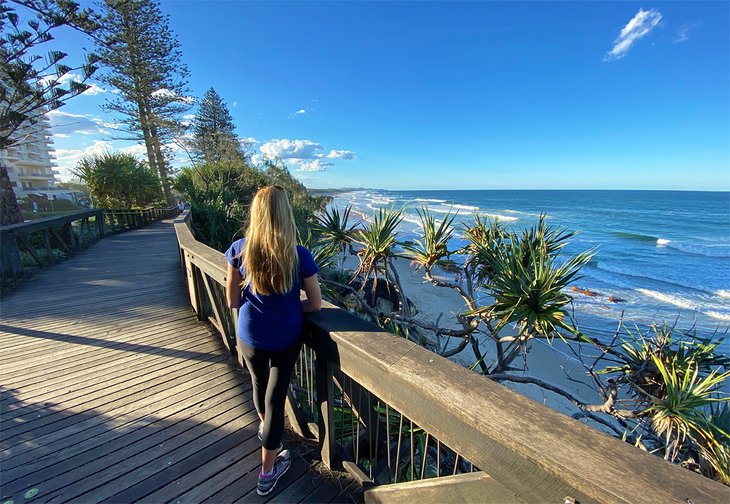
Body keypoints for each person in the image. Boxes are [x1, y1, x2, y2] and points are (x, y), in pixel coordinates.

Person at [225, 185, 322, 496]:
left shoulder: (239, 249)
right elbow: (316, 304)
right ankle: (267, 472)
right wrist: (293, 307)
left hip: (249, 335)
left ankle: (268, 433)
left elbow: (232, 299)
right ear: (285, 215)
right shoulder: (299, 255)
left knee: (258, 384)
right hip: (285, 337)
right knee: (276, 399)